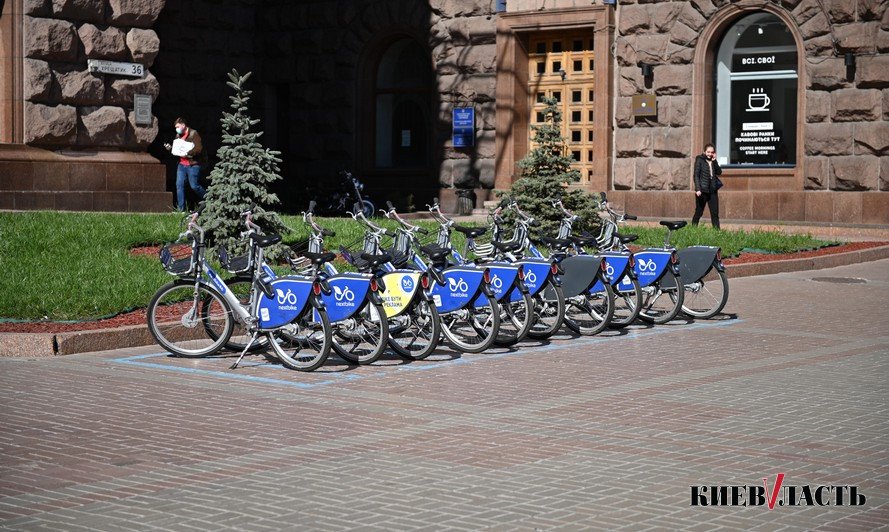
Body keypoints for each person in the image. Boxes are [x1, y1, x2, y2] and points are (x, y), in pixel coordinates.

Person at [163, 117, 206, 211]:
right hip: (182, 165)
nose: (176, 129)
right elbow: (177, 150)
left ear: (183, 125)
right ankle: (181, 209)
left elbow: (198, 148)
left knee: (194, 186)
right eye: (175, 127)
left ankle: (208, 199)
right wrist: (170, 149)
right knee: (179, 185)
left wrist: (188, 153)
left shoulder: (193, 134)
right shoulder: (178, 135)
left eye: (178, 127)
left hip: (193, 165)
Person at [692, 143, 722, 229]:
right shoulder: (699, 160)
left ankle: (717, 233)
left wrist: (715, 161)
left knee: (715, 214)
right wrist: (698, 189)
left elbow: (719, 172)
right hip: (702, 191)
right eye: (708, 152)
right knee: (699, 212)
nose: (710, 154)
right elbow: (696, 175)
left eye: (712, 152)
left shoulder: (713, 161)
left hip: (712, 191)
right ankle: (693, 230)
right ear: (704, 152)